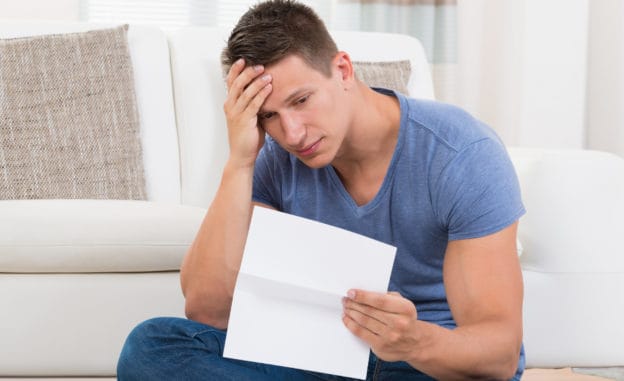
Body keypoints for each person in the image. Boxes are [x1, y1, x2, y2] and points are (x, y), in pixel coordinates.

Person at [117, 0, 526, 380]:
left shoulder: (460, 154)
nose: (292, 133)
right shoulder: (275, 157)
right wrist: (240, 162)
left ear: (343, 70)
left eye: (301, 100)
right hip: (318, 359)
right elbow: (208, 310)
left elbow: (500, 355)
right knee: (152, 346)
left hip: (426, 363)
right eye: (269, 116)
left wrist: (411, 340)